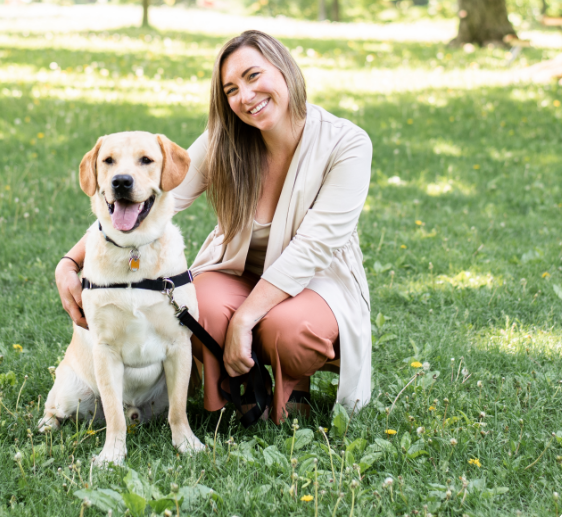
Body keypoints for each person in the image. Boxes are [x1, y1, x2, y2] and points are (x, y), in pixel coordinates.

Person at [55, 30, 373, 423]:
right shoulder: (223, 141)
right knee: (192, 303)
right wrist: (70, 262)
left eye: (254, 76)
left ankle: (296, 387)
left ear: (285, 70)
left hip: (317, 279)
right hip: (236, 270)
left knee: (287, 328)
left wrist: (242, 319)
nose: (246, 96)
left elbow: (312, 249)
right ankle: (234, 386)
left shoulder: (348, 144)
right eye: (231, 89)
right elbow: (155, 198)